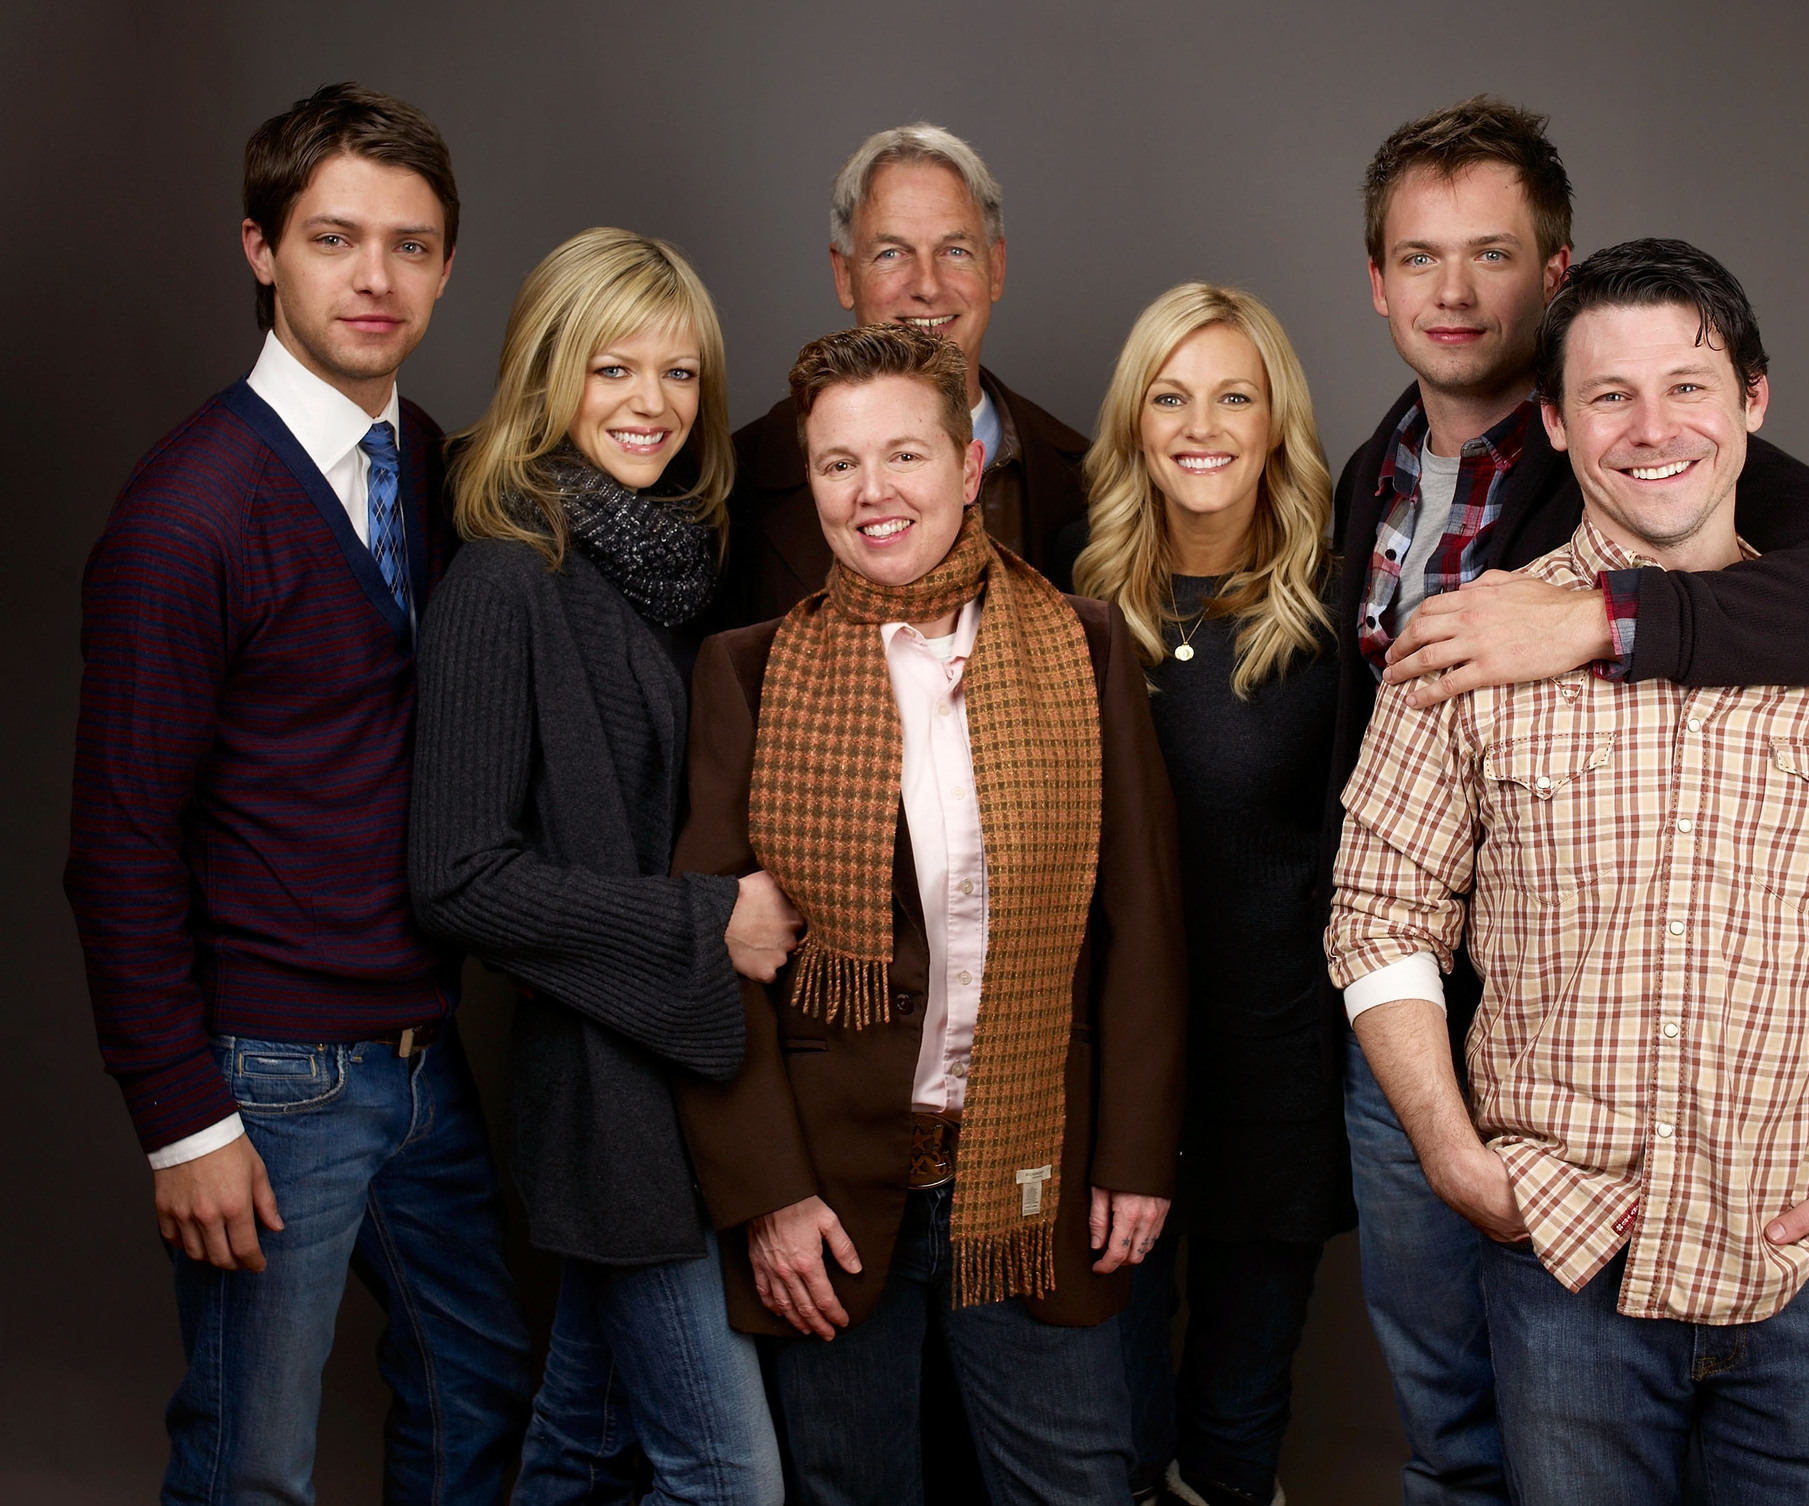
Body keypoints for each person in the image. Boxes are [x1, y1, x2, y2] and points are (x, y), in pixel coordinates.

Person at [1326, 97, 1809, 1503]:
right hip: (1549, 1209)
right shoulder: (1380, 491)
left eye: (1490, 253)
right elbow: (1376, 896)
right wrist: (1454, 1145)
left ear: (1751, 396)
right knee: (1459, 1442)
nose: (1651, 425)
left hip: (1807, 1247)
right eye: (1609, 397)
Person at [64, 84, 529, 1503]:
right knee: (252, 1457)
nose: (375, 278)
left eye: (410, 243)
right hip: (267, 1074)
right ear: (261, 248)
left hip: (418, 1055)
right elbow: (119, 846)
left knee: (479, 1384)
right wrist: (184, 1120)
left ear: (448, 266)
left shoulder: (440, 467)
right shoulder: (189, 510)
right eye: (335, 238)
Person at [672, 323, 1185, 1506]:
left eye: (903, 456)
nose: (872, 494)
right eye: (837, 464)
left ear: (967, 461)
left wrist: (1133, 1154)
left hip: (1035, 1170)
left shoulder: (1085, 643)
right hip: (828, 1194)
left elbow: (1144, 927)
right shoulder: (744, 672)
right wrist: (765, 1196)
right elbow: (716, 967)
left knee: (1079, 1487)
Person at [408, 227, 793, 1505]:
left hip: (693, 1074)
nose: (650, 405)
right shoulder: (505, 580)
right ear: (548, 374)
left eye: (679, 375)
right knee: (725, 1478)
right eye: (612, 369)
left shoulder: (667, 570)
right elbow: (456, 877)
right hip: (606, 1099)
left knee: (579, 1443)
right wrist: (705, 926)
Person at [1073, 284, 1350, 1506]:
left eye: (1233, 395)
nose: (1201, 424)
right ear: (1134, 424)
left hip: (1272, 1078)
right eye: (1170, 396)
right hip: (1110, 1085)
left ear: (1276, 424)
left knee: (1233, 1431)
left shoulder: (1337, 628)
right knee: (1111, 1431)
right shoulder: (1070, 619)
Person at [700, 123, 1091, 625]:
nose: (927, 285)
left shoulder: (1089, 482)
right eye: (891, 253)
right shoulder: (734, 486)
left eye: (955, 250)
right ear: (844, 275)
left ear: (995, 267)